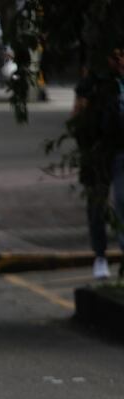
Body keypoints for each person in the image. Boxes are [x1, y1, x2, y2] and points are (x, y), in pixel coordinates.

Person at [73, 51, 124, 280]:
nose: (120, 60)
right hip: (100, 150)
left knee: (122, 201)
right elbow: (78, 116)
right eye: (115, 56)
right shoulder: (94, 82)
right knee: (97, 205)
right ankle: (100, 256)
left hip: (121, 150)